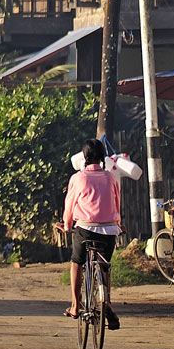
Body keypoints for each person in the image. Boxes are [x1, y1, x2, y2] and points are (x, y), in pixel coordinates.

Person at [62, 138, 121, 330]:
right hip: (110, 230)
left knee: (76, 262)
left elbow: (69, 207)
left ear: (85, 157)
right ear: (102, 157)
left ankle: (75, 305)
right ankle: (108, 303)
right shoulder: (111, 177)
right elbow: (117, 203)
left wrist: (67, 224)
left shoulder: (78, 178)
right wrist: (118, 223)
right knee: (104, 267)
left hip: (85, 229)